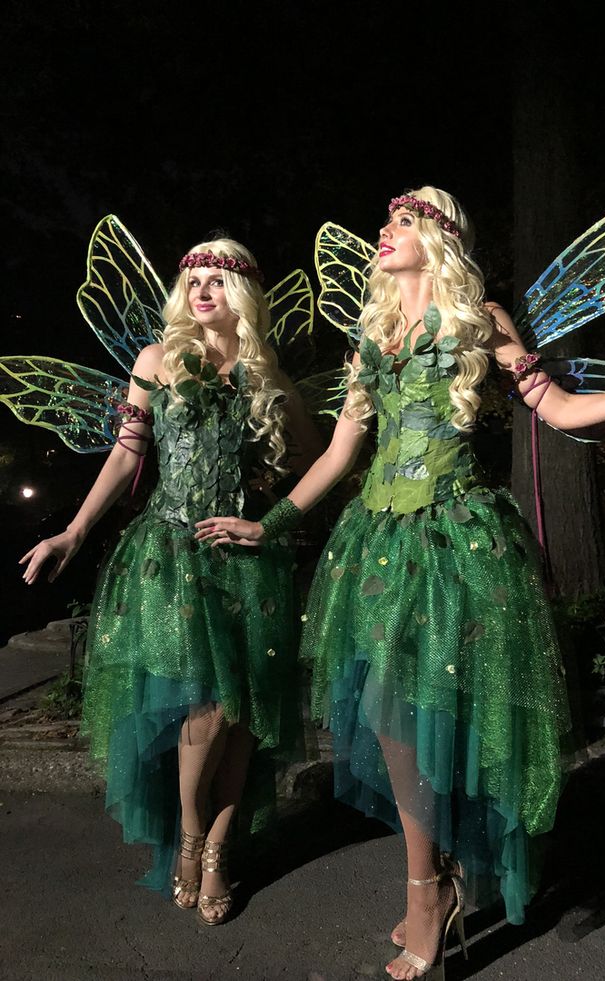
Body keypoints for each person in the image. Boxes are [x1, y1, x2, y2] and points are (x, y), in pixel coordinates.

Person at [195, 190, 605, 974]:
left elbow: (558, 408)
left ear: (440, 238)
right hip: (378, 541)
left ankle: (427, 890)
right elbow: (341, 453)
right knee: (388, 715)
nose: (384, 231)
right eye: (387, 222)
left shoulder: (482, 319)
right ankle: (431, 880)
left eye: (401, 221)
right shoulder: (372, 334)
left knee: (437, 717)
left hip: (456, 540)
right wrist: (270, 522)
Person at [21, 237, 319, 926]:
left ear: (240, 295)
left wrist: (267, 506)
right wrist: (73, 530)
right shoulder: (156, 362)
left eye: (217, 280)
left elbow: (310, 450)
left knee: (244, 710)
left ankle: (216, 847)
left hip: (247, 557)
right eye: (193, 280)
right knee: (204, 706)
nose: (203, 291)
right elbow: (128, 456)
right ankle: (190, 830)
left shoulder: (264, 374)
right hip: (171, 554)